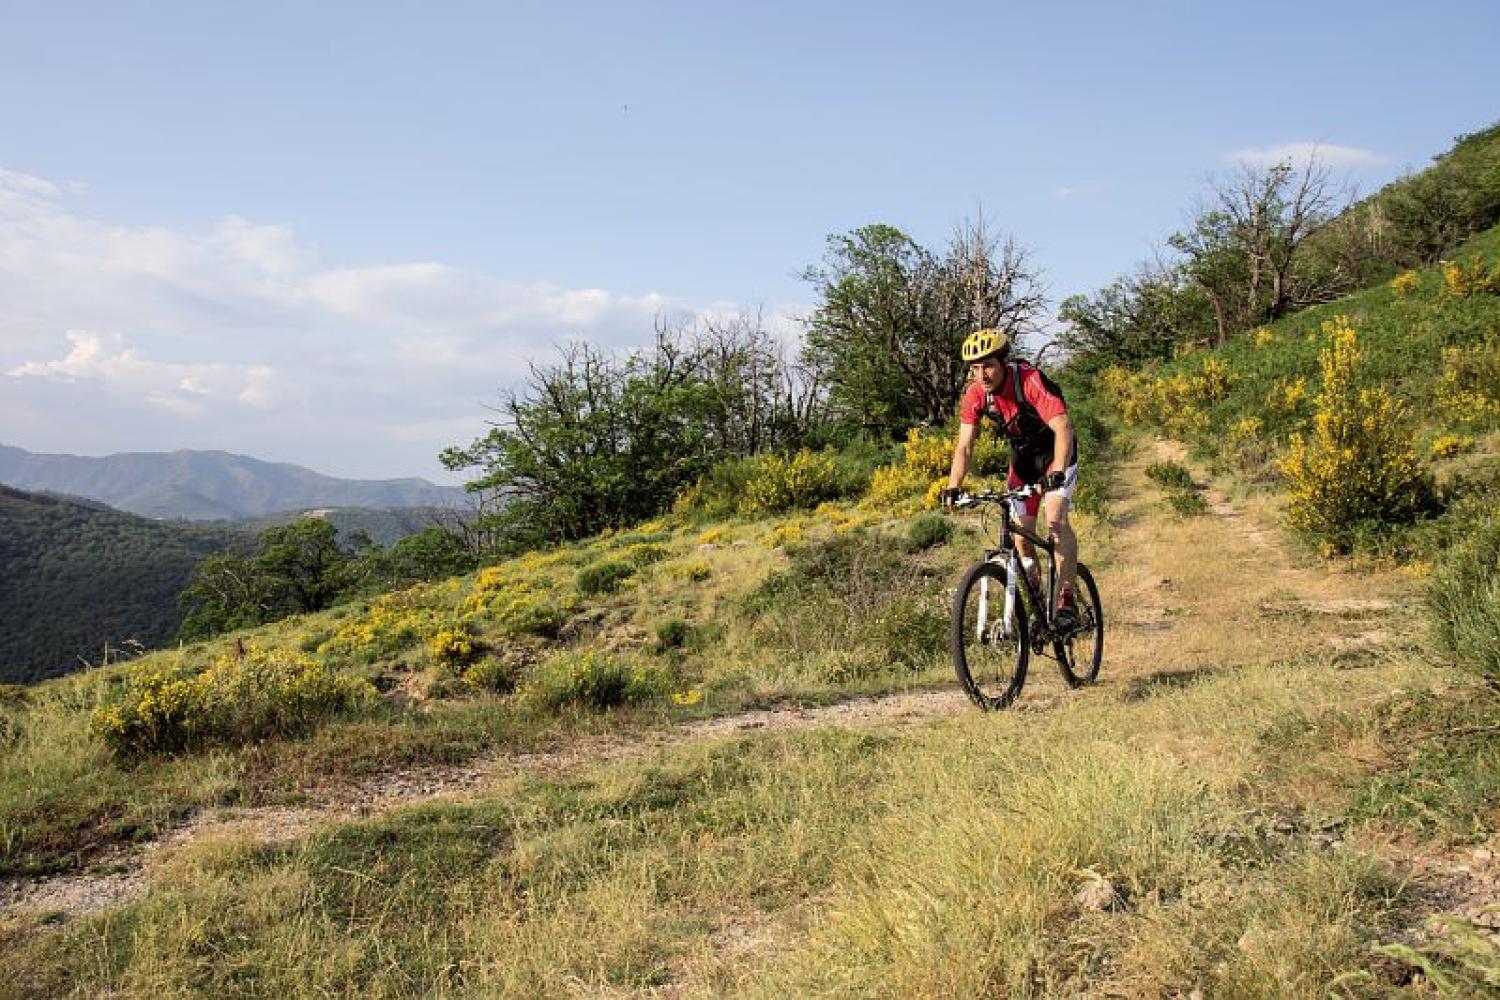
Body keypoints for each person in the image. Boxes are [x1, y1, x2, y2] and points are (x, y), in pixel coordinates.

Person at [938, 328, 1080, 630]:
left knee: (1055, 520)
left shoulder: (1029, 381)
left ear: (1003, 362)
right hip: (1024, 461)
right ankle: (1040, 606)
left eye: (988, 365)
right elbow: (965, 445)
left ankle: (1067, 601)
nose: (982, 374)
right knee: (1022, 541)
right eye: (975, 368)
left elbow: (1063, 428)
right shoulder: (976, 394)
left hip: (1056, 453)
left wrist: (1057, 471)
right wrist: (953, 486)